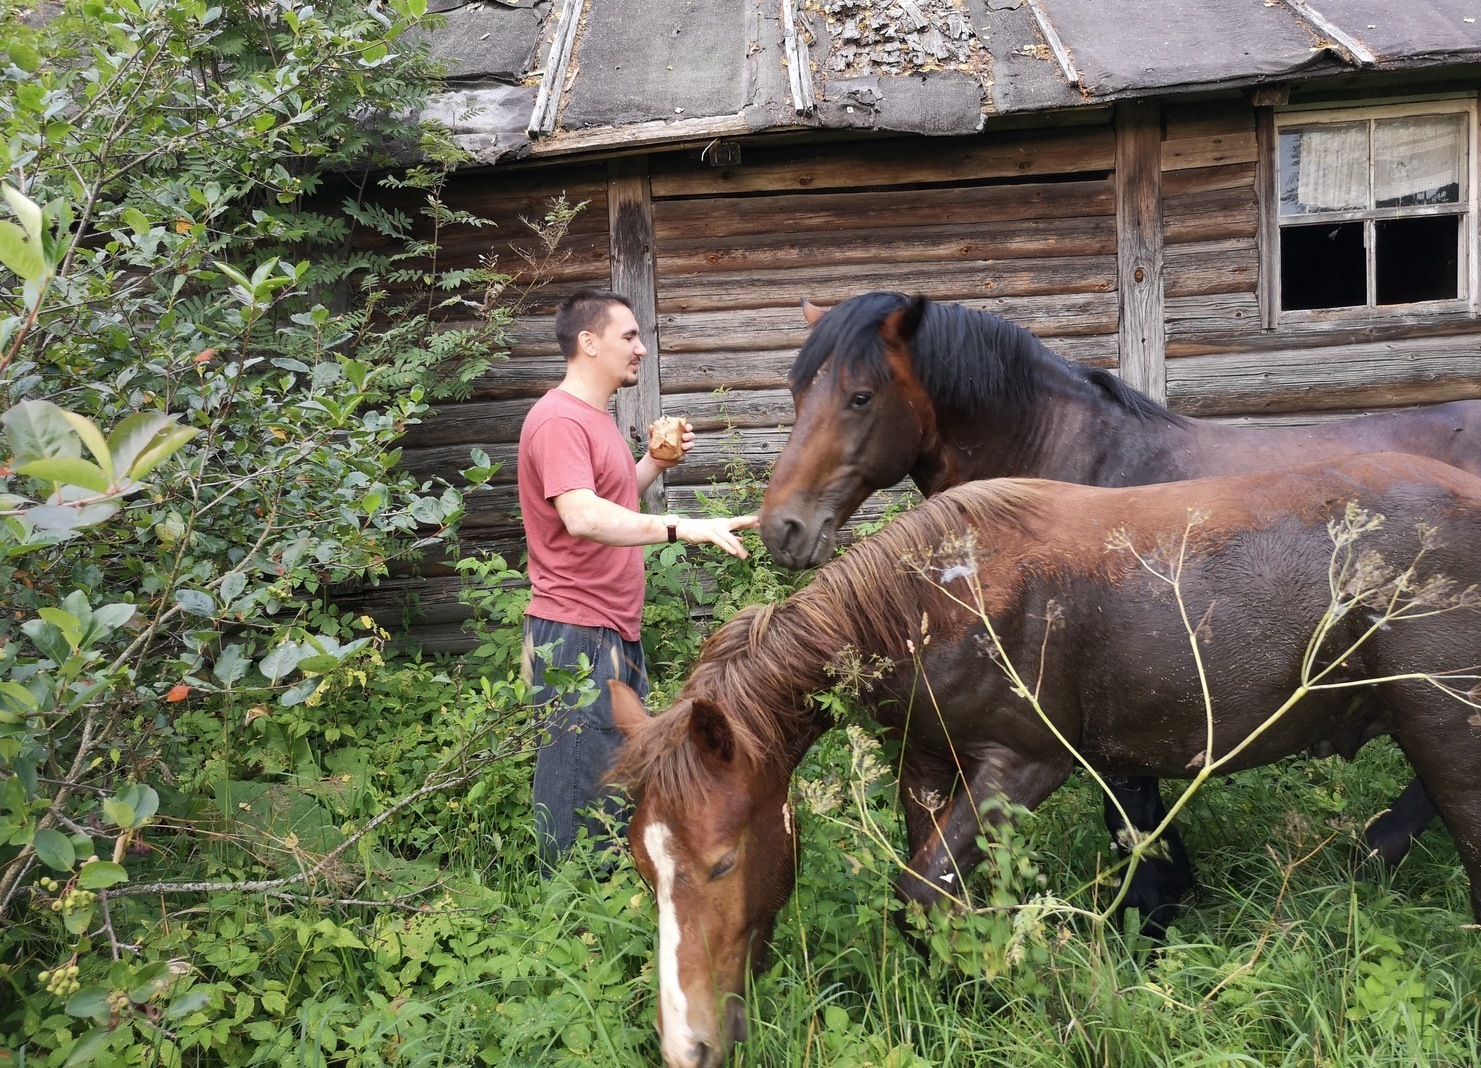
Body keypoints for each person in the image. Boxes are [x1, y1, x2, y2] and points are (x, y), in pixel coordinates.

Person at [517, 288, 758, 869]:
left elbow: (609, 501)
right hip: (574, 632)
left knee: (616, 781)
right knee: (578, 791)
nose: (642, 349)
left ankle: (600, 908)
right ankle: (561, 921)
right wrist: (683, 527)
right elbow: (582, 516)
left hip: (612, 629)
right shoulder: (557, 420)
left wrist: (655, 466)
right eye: (629, 336)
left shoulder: (595, 420)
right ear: (588, 342)